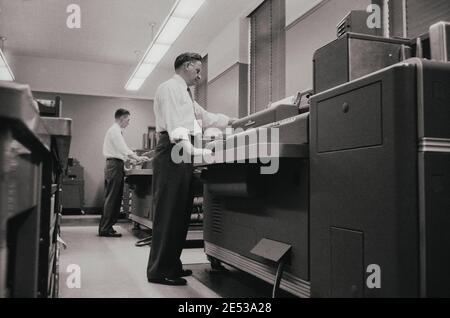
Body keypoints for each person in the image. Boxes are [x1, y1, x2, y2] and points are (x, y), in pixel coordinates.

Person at [147, 53, 236, 286]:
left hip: (182, 152)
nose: (199, 75)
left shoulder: (186, 94)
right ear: (186, 66)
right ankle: (159, 271)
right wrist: (195, 152)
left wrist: (234, 121)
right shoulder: (169, 89)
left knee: (179, 212)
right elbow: (176, 129)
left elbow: (205, 117)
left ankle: (171, 265)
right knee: (168, 212)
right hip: (173, 150)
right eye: (197, 70)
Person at [99, 108, 149, 238]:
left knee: (112, 197)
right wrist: (137, 157)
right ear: (121, 119)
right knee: (112, 198)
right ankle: (105, 228)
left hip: (115, 165)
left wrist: (129, 158)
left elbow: (120, 151)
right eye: (128, 119)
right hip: (114, 165)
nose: (128, 122)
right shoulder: (115, 130)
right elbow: (122, 148)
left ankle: (106, 227)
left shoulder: (115, 130)